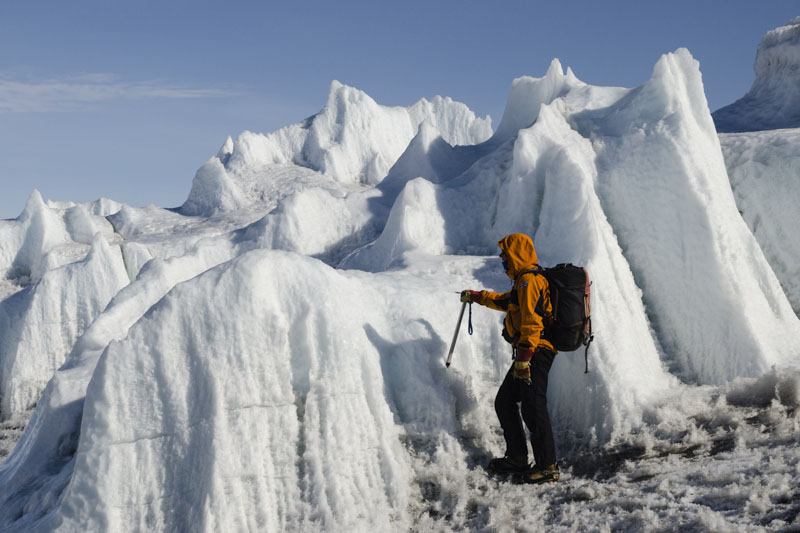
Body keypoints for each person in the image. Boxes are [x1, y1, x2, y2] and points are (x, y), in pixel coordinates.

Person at [461, 233, 559, 484]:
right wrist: (477, 296)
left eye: (505, 254)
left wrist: (524, 357)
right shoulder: (523, 282)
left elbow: (532, 323)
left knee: (533, 406)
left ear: (516, 254)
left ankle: (547, 466)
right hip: (528, 352)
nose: (502, 259)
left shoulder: (529, 281)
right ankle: (517, 458)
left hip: (535, 351)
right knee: (505, 401)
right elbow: (507, 302)